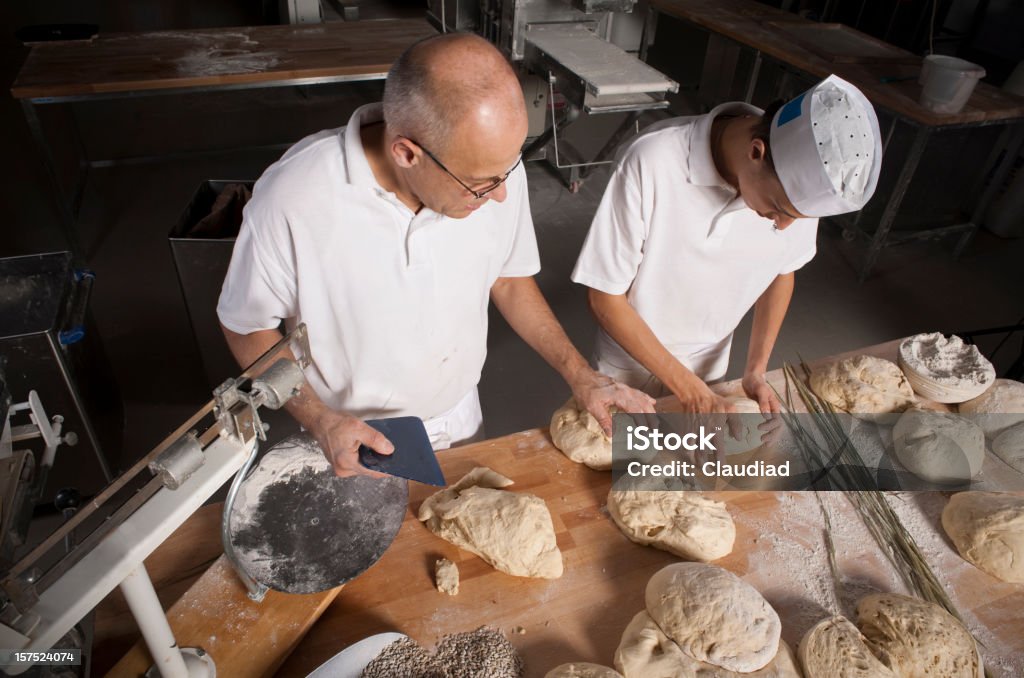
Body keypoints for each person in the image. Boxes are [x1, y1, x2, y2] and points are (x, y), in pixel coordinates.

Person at [217, 33, 655, 477]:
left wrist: (580, 373)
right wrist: (320, 419)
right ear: (407, 153)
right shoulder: (296, 197)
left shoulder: (493, 167)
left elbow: (506, 278)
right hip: (352, 435)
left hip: (460, 417)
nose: (502, 194)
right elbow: (245, 325)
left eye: (508, 170)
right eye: (481, 183)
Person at [572, 75, 883, 414]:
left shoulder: (798, 188)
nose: (784, 226)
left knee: (692, 463)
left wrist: (755, 369)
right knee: (627, 461)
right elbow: (604, 297)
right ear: (755, 151)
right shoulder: (653, 161)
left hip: (710, 367)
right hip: (630, 361)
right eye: (779, 210)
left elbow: (783, 271)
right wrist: (688, 390)